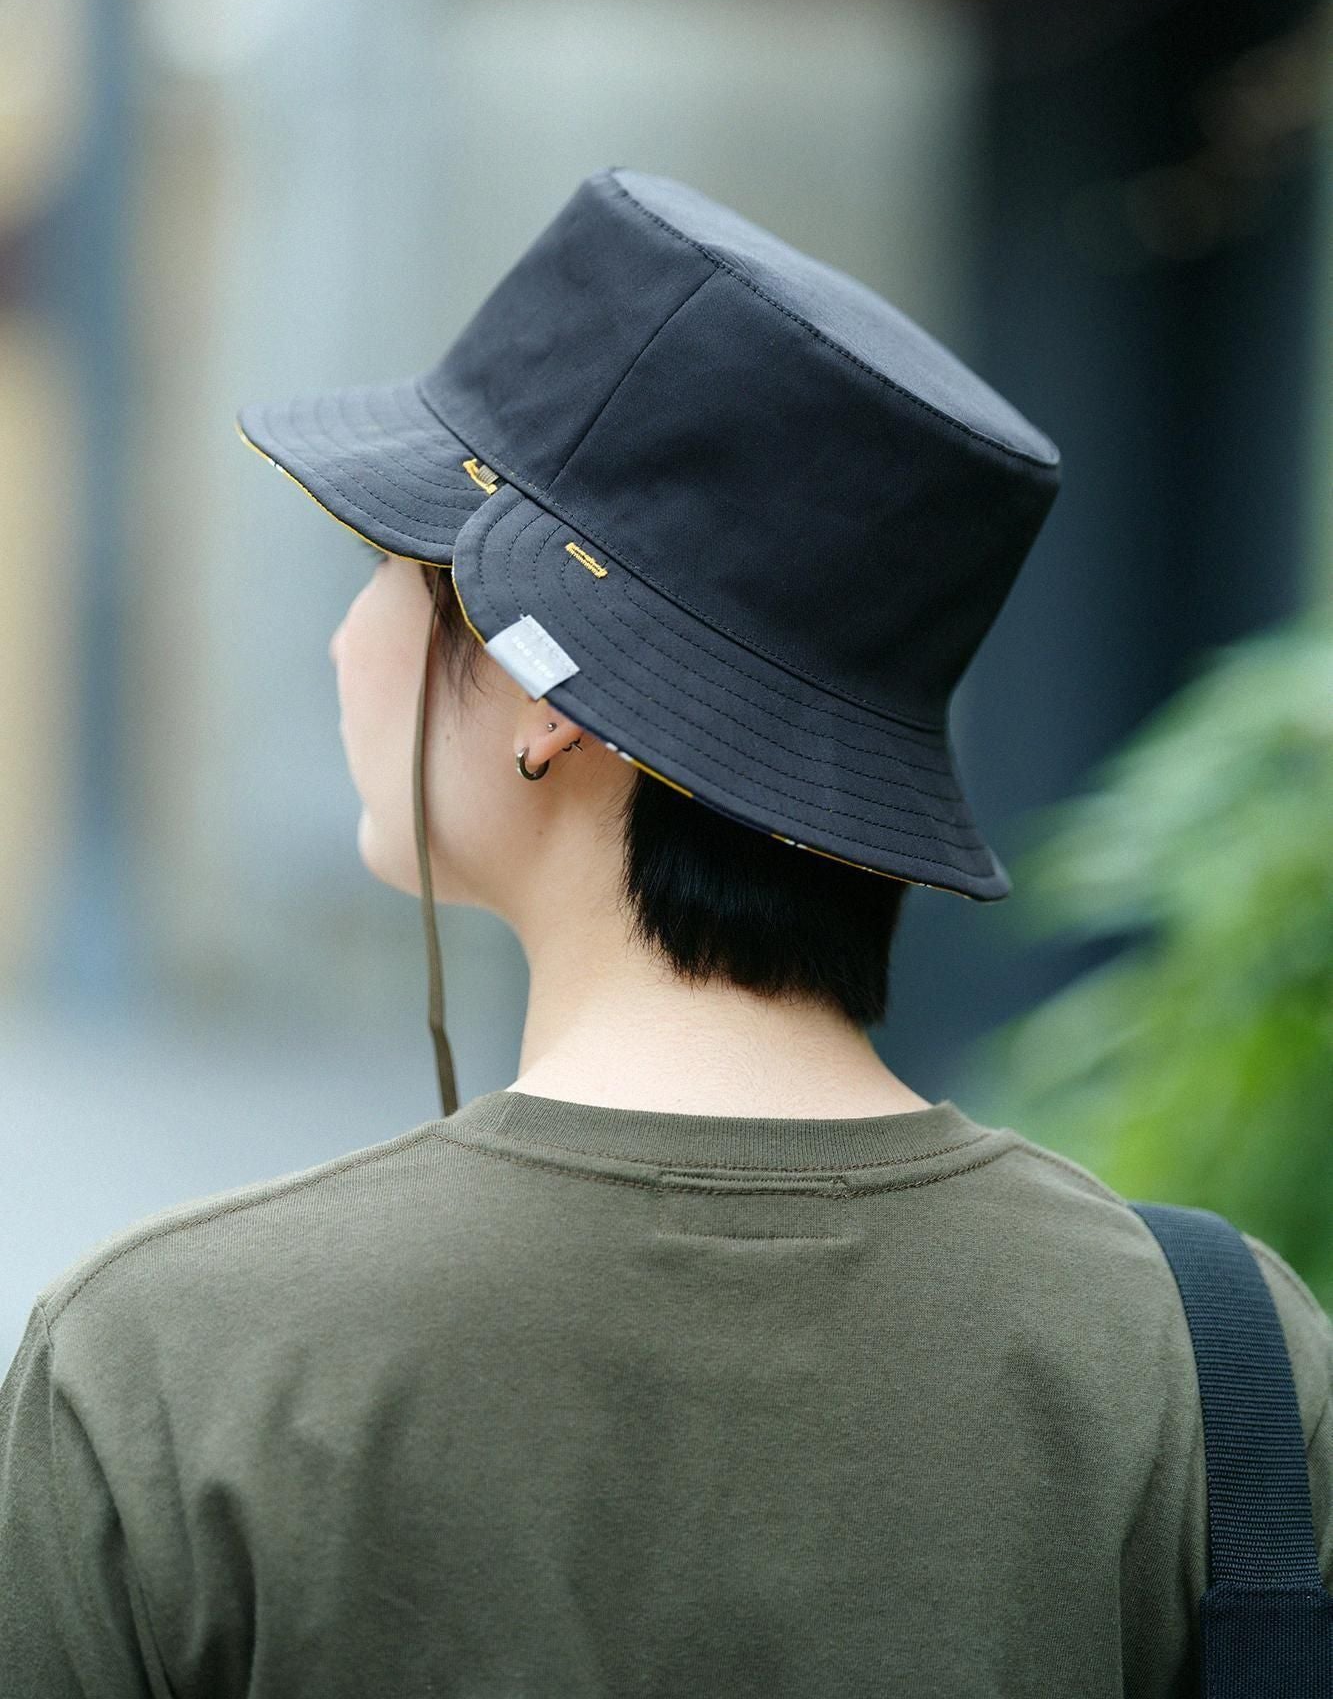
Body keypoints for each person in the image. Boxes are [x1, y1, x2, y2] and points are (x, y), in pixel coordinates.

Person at [1, 168, 1329, 1696]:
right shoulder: (1218, 1361)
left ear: (541, 697)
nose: (347, 636)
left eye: (388, 563)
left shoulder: (166, 1361)